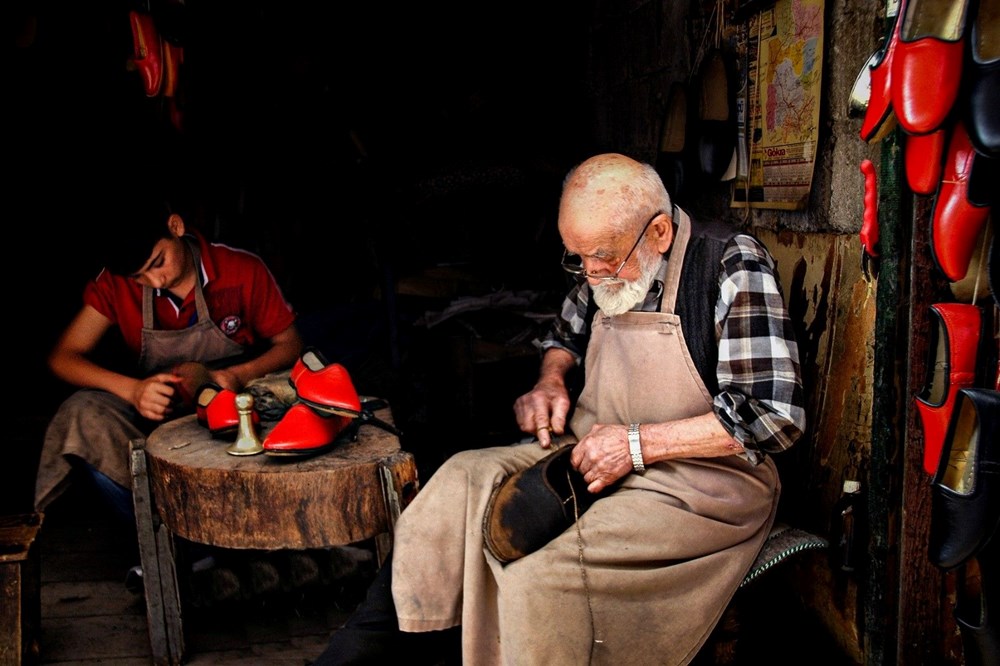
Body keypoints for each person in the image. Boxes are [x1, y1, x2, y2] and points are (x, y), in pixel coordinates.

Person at [314, 152, 805, 665]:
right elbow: (565, 334)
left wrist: (636, 445)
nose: (591, 273)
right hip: (590, 452)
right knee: (452, 488)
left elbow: (773, 415)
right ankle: (374, 653)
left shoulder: (728, 263)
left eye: (603, 257)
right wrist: (550, 380)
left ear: (659, 233)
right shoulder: (605, 265)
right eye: (577, 257)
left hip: (702, 481)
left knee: (542, 576)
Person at [34, 185, 303, 524]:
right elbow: (63, 356)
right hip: (157, 426)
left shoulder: (241, 270)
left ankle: (251, 525)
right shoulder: (116, 285)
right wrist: (133, 390)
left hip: (233, 413)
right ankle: (165, 536)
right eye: (139, 276)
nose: (154, 280)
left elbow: (290, 345)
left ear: (176, 227)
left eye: (157, 263)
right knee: (82, 414)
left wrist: (238, 375)